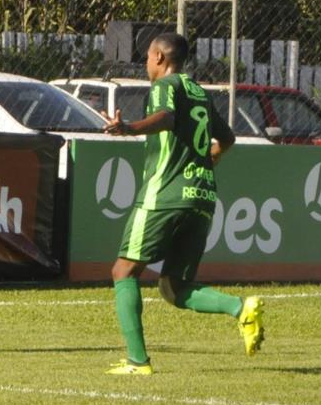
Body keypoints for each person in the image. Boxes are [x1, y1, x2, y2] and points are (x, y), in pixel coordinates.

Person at [102, 32, 264, 375]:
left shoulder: (166, 84)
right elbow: (228, 138)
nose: (146, 63)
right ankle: (241, 309)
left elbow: (166, 118)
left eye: (147, 56)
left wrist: (129, 128)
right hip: (202, 197)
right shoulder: (199, 92)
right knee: (174, 288)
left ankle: (137, 361)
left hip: (166, 193)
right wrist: (206, 162)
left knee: (124, 270)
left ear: (160, 58)